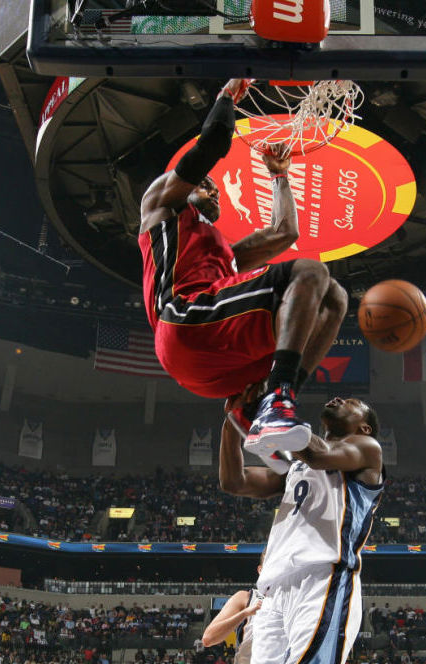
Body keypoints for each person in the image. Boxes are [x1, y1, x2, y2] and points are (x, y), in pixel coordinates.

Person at [138, 79, 348, 461]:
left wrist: (279, 174)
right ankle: (278, 402)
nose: (214, 190)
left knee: (334, 297)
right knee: (310, 272)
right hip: (184, 320)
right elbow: (214, 141)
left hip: (211, 366)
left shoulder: (223, 257)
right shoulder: (163, 208)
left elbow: (285, 233)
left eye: (215, 188)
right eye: (205, 185)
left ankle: (264, 410)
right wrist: (226, 96)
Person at [219, 395, 384, 664]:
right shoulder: (298, 462)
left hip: (323, 577)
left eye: (350, 401)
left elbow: (318, 453)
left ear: (364, 427)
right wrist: (231, 422)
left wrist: (275, 407)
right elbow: (235, 480)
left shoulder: (366, 449)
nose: (337, 399)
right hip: (274, 587)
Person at [201, 560, 265, 664]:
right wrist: (245, 613)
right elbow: (208, 638)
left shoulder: (294, 597)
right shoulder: (246, 597)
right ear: (260, 569)